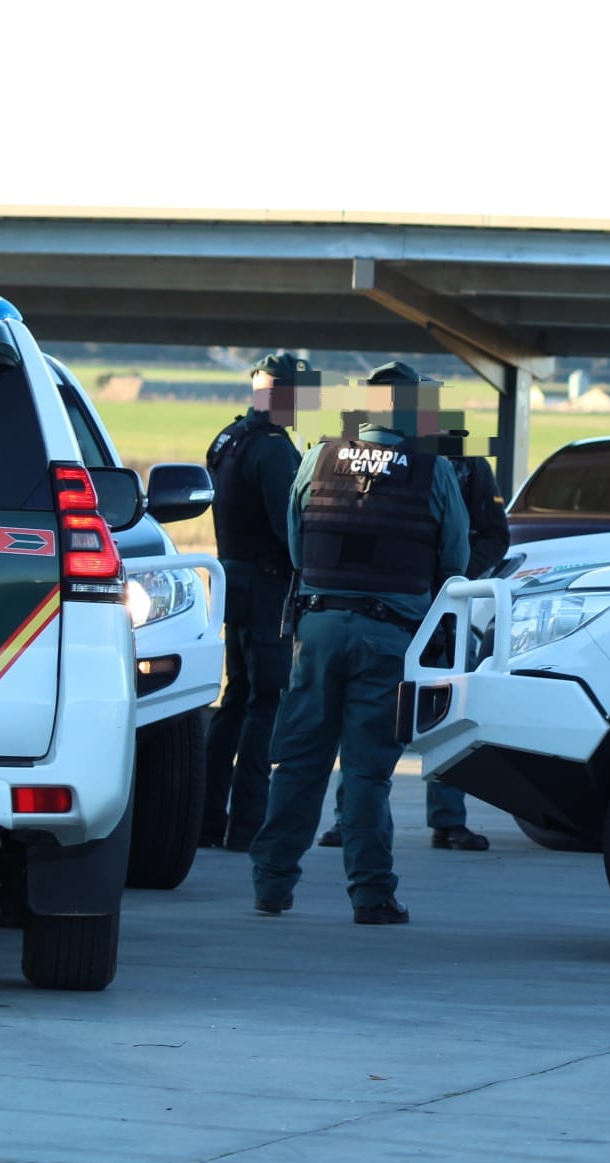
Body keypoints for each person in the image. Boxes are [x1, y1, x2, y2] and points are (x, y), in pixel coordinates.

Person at [247, 361, 470, 923]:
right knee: (367, 771)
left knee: (298, 763)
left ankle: (271, 885)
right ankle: (371, 895)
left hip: (318, 629)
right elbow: (455, 561)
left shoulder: (318, 457)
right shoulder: (431, 470)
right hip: (388, 637)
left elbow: (298, 546)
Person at [316, 410, 509, 851]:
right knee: (364, 715)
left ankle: (448, 820)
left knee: (447, 713)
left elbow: (494, 535)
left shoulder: (462, 458)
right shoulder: (362, 452)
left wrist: (451, 585)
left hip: (442, 609)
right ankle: (349, 819)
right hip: (384, 607)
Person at [200, 352, 310, 852]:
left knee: (236, 700)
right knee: (266, 701)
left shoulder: (230, 438)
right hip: (266, 589)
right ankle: (247, 825)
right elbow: (288, 527)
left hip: (234, 583)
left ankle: (204, 818)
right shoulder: (272, 449)